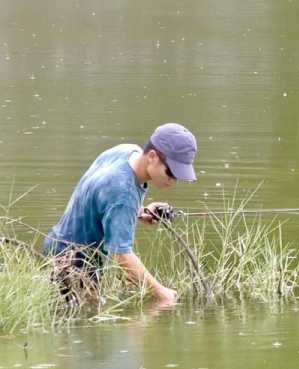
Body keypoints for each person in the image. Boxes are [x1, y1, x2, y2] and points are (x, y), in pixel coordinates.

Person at [44, 123, 197, 305]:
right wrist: (162, 293)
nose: (173, 180)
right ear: (152, 156)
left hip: (56, 246)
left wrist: (138, 212)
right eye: (171, 172)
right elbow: (122, 255)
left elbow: (102, 201)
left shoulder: (127, 151)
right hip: (75, 264)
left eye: (178, 175)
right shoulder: (123, 192)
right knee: (82, 322)